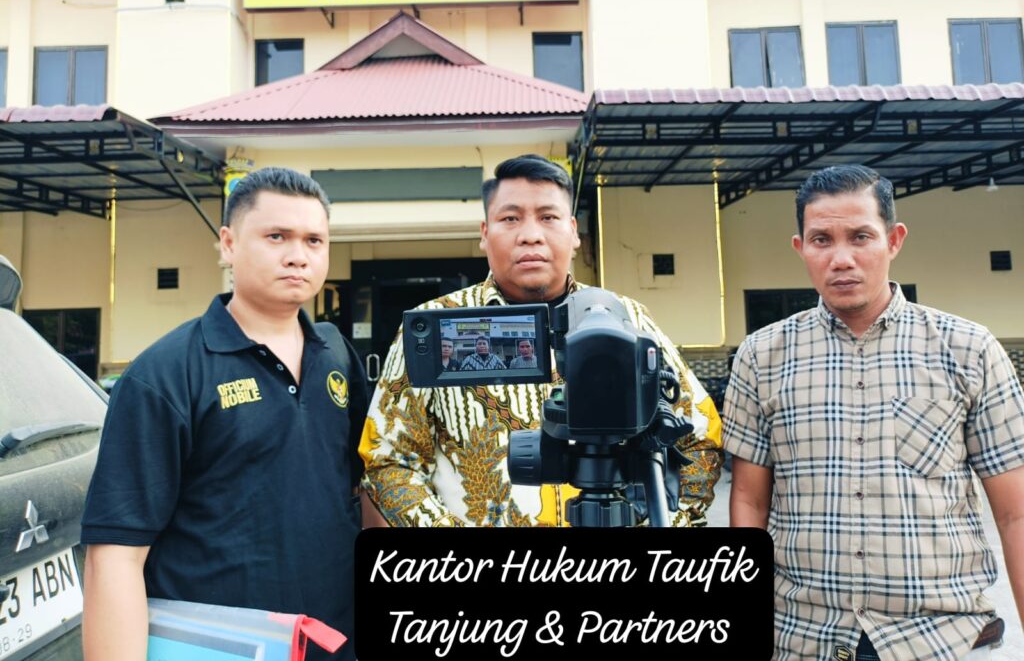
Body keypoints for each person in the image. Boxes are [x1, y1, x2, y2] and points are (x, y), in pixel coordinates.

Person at [724, 165, 1024, 661]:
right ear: (801, 248)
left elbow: (1015, 514)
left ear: (894, 240)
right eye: (822, 240)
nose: (841, 258)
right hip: (803, 638)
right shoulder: (761, 357)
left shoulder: (968, 349)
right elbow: (748, 503)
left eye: (861, 236)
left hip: (941, 638)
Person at [81, 167, 368, 661]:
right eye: (276, 236)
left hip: (333, 642)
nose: (298, 255)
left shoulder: (336, 354)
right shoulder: (165, 374)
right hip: (220, 649)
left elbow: (364, 490)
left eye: (314, 241)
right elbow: (116, 555)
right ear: (229, 244)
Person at [359, 154, 722, 528]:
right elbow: (388, 459)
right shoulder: (436, 327)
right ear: (484, 233)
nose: (530, 234)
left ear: (573, 231)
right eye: (510, 218)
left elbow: (700, 438)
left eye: (548, 217)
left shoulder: (628, 319)